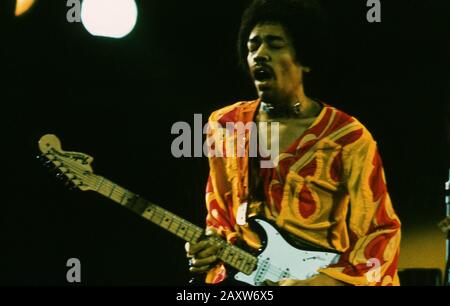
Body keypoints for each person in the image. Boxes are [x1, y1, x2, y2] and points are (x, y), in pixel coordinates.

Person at [185, 0, 401, 286]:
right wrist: (209, 247)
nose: (260, 54)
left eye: (275, 44)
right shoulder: (226, 125)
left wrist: (323, 283)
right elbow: (220, 218)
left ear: (305, 59)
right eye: (253, 46)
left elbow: (380, 230)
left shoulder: (348, 136)